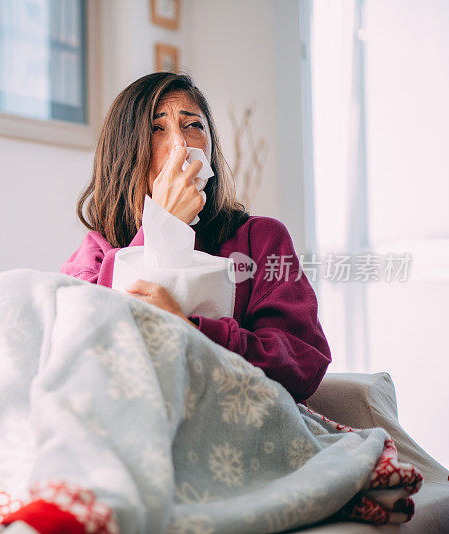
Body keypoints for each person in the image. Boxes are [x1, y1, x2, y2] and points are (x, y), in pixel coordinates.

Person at [61, 72, 330, 403]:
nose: (181, 144)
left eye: (193, 126)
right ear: (125, 152)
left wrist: (190, 330)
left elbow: (302, 363)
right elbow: (85, 357)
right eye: (156, 129)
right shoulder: (97, 252)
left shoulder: (260, 239)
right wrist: (163, 225)